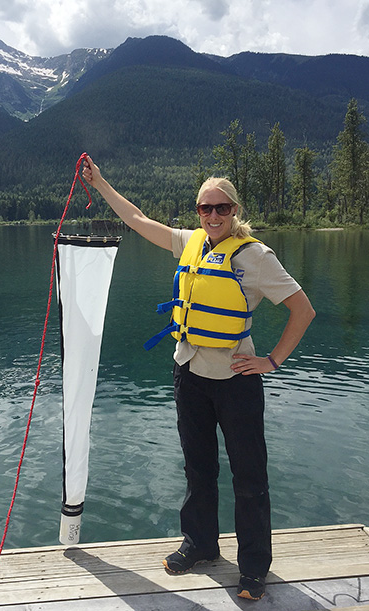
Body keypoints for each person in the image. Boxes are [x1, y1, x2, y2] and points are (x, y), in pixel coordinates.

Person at [82, 155, 316, 601]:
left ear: (235, 211)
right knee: (198, 467)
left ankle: (253, 568)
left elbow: (303, 310)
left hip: (236, 380)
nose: (212, 216)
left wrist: (272, 361)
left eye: (221, 208)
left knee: (249, 477)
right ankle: (201, 545)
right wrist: (102, 183)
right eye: (204, 208)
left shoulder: (256, 257)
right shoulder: (190, 243)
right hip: (189, 374)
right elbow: (135, 218)